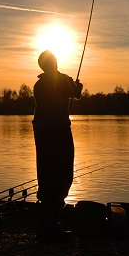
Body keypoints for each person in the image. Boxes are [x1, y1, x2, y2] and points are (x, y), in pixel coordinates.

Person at [32, 50, 82, 241]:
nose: (57, 62)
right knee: (61, 172)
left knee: (47, 172)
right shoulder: (57, 81)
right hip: (57, 130)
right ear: (51, 63)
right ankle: (50, 225)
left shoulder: (40, 83)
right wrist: (77, 86)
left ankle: (48, 223)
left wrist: (71, 84)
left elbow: (71, 93)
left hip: (43, 130)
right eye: (54, 60)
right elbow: (75, 94)